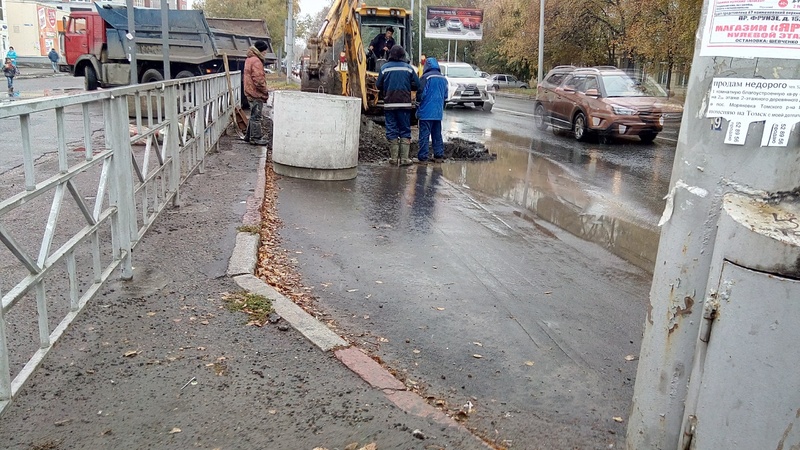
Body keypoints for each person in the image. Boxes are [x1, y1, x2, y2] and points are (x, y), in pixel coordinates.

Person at [376, 45, 419, 166]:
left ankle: (393, 159)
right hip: (404, 104)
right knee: (405, 129)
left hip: (389, 104)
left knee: (391, 129)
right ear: (402, 55)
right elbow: (417, 84)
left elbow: (378, 85)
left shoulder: (384, 68)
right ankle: (404, 159)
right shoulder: (408, 68)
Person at [415, 57, 448, 163]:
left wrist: (417, 106)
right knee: (437, 134)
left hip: (426, 112)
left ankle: (423, 157)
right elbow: (445, 96)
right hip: (438, 113)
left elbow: (421, 94)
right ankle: (438, 155)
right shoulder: (443, 78)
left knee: (424, 135)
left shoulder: (426, 77)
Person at [243, 40, 270, 146]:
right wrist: (265, 90)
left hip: (249, 90)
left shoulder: (249, 59)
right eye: (265, 51)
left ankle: (248, 136)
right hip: (255, 92)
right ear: (261, 50)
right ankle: (255, 138)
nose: (265, 53)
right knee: (256, 116)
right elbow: (258, 80)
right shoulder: (256, 61)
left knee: (253, 114)